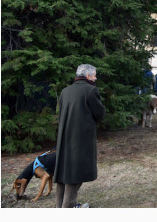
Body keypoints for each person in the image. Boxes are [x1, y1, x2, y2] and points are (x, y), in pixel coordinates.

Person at [53, 64, 105, 208]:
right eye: (94, 75)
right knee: (76, 172)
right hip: (81, 138)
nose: (95, 78)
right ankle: (69, 206)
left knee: (64, 172)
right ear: (87, 76)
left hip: (64, 136)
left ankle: (60, 206)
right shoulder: (91, 90)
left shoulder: (65, 91)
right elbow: (99, 113)